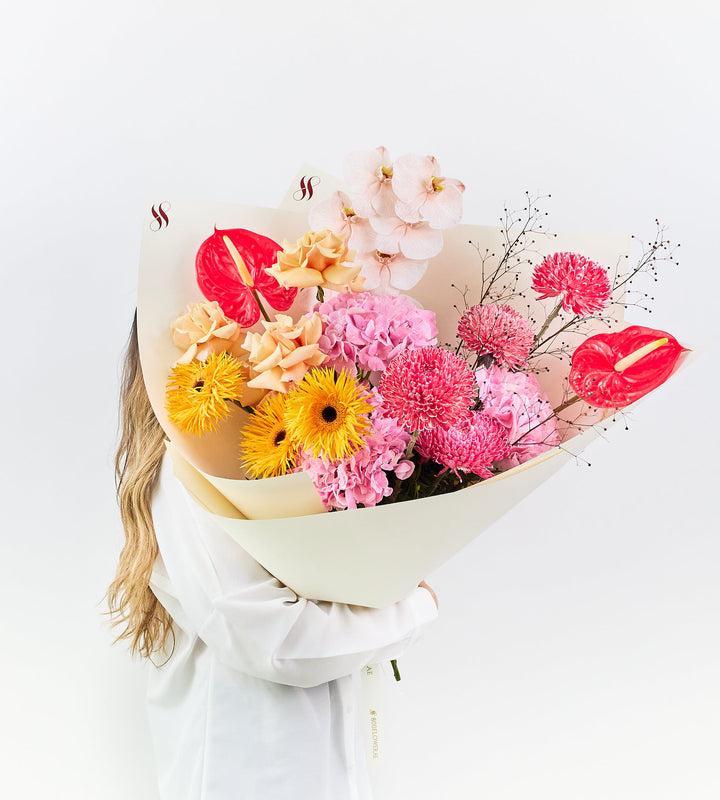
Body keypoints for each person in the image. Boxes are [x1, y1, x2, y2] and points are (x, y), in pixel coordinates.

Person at [107, 315, 439, 800]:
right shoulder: (183, 472)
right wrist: (411, 609)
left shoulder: (277, 451)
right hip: (244, 768)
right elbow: (269, 642)